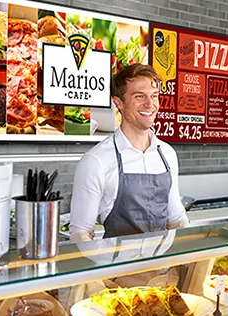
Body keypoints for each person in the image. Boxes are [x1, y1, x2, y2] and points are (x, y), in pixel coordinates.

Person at [70, 64, 188, 242]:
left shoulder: (167, 154)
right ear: (118, 102)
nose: (150, 104)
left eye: (154, 96)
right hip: (118, 267)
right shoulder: (96, 161)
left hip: (162, 267)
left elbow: (176, 219)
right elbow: (80, 233)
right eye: (140, 96)